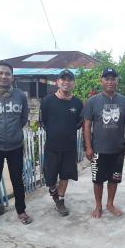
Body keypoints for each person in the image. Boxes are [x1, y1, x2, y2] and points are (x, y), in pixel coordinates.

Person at [0, 62, 31, 230]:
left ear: (12, 77)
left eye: (7, 73)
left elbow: (23, 118)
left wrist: (15, 131)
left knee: (17, 180)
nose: (4, 76)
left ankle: (21, 211)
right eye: (0, 73)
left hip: (15, 146)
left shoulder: (20, 96)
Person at [83, 68, 125, 218]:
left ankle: (110, 204)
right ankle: (98, 205)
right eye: (106, 78)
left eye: (113, 79)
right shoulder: (93, 101)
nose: (110, 81)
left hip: (117, 149)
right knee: (98, 180)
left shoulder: (124, 101)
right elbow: (87, 125)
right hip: (98, 149)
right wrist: (88, 147)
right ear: (101, 81)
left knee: (114, 179)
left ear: (117, 81)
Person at [40, 69, 83, 216]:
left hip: (69, 147)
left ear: (73, 83)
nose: (66, 82)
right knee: (50, 178)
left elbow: (79, 123)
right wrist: (54, 132)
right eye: (63, 79)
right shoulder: (47, 101)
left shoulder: (77, 103)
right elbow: (43, 121)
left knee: (65, 176)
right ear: (58, 82)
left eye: (69, 79)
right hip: (52, 147)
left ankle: (60, 201)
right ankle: (54, 192)